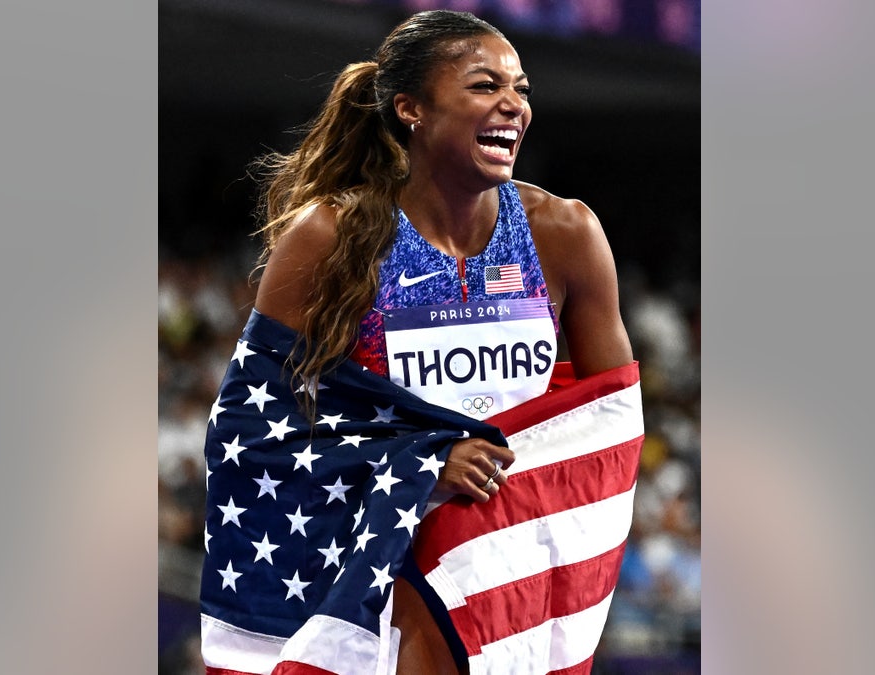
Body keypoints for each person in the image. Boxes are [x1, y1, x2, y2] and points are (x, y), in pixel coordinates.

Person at [202, 10, 634, 674]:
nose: (513, 106)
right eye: (485, 86)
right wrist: (425, 459)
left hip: (510, 566)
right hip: (385, 567)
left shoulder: (565, 234)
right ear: (412, 108)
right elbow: (254, 429)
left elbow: (607, 428)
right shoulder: (331, 238)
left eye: (521, 88)